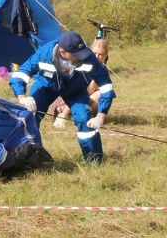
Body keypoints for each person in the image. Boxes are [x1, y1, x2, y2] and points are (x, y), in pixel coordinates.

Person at [10, 30, 114, 163]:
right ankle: (28, 159)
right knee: (30, 115)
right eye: (76, 54)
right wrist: (22, 98)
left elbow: (106, 85)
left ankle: (93, 160)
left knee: (84, 117)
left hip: (75, 89)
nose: (81, 57)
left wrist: (101, 115)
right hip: (46, 85)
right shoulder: (44, 53)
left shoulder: (87, 56)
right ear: (62, 51)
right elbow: (21, 74)